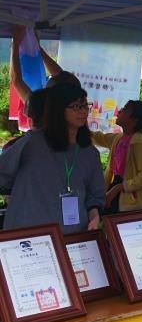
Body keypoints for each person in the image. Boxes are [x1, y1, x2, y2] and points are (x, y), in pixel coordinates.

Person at [0, 84, 105, 234]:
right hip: (29, 237)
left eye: (84, 105)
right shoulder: (32, 143)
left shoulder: (89, 152)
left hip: (73, 237)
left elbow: (95, 195)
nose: (82, 111)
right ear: (58, 111)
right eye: (75, 106)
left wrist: (94, 217)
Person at [92, 100, 142, 214]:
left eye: (125, 109)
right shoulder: (119, 138)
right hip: (116, 192)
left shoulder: (138, 142)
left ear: (134, 119)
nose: (120, 110)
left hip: (130, 204)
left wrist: (119, 188)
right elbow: (98, 137)